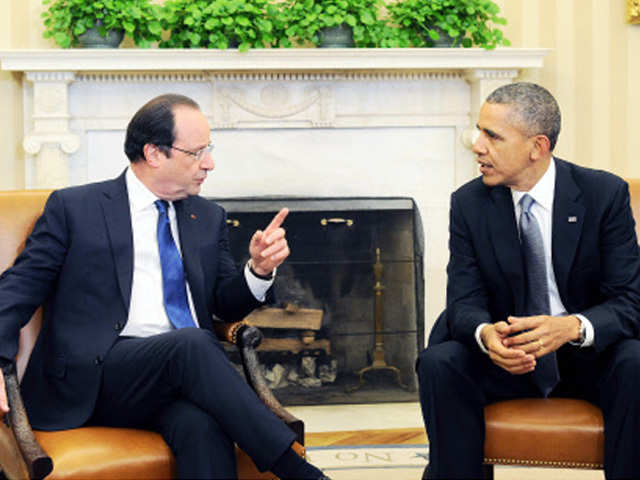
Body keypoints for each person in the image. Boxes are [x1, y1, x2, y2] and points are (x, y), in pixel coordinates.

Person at [0, 94, 329, 480]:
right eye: (196, 152)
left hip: (180, 379)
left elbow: (225, 303)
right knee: (190, 343)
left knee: (202, 427)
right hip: (96, 377)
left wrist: (258, 269)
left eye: (209, 150)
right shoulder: (76, 208)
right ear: (153, 153)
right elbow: (18, 289)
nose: (209, 163)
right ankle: (296, 469)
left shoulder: (206, 217)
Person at [417, 82, 640, 479]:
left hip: (588, 360)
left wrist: (571, 327)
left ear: (537, 146)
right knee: (439, 362)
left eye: (492, 136)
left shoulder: (603, 195)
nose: (477, 146)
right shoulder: (468, 204)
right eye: (478, 131)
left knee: (636, 361)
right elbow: (464, 301)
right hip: (510, 361)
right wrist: (487, 336)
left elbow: (629, 300)